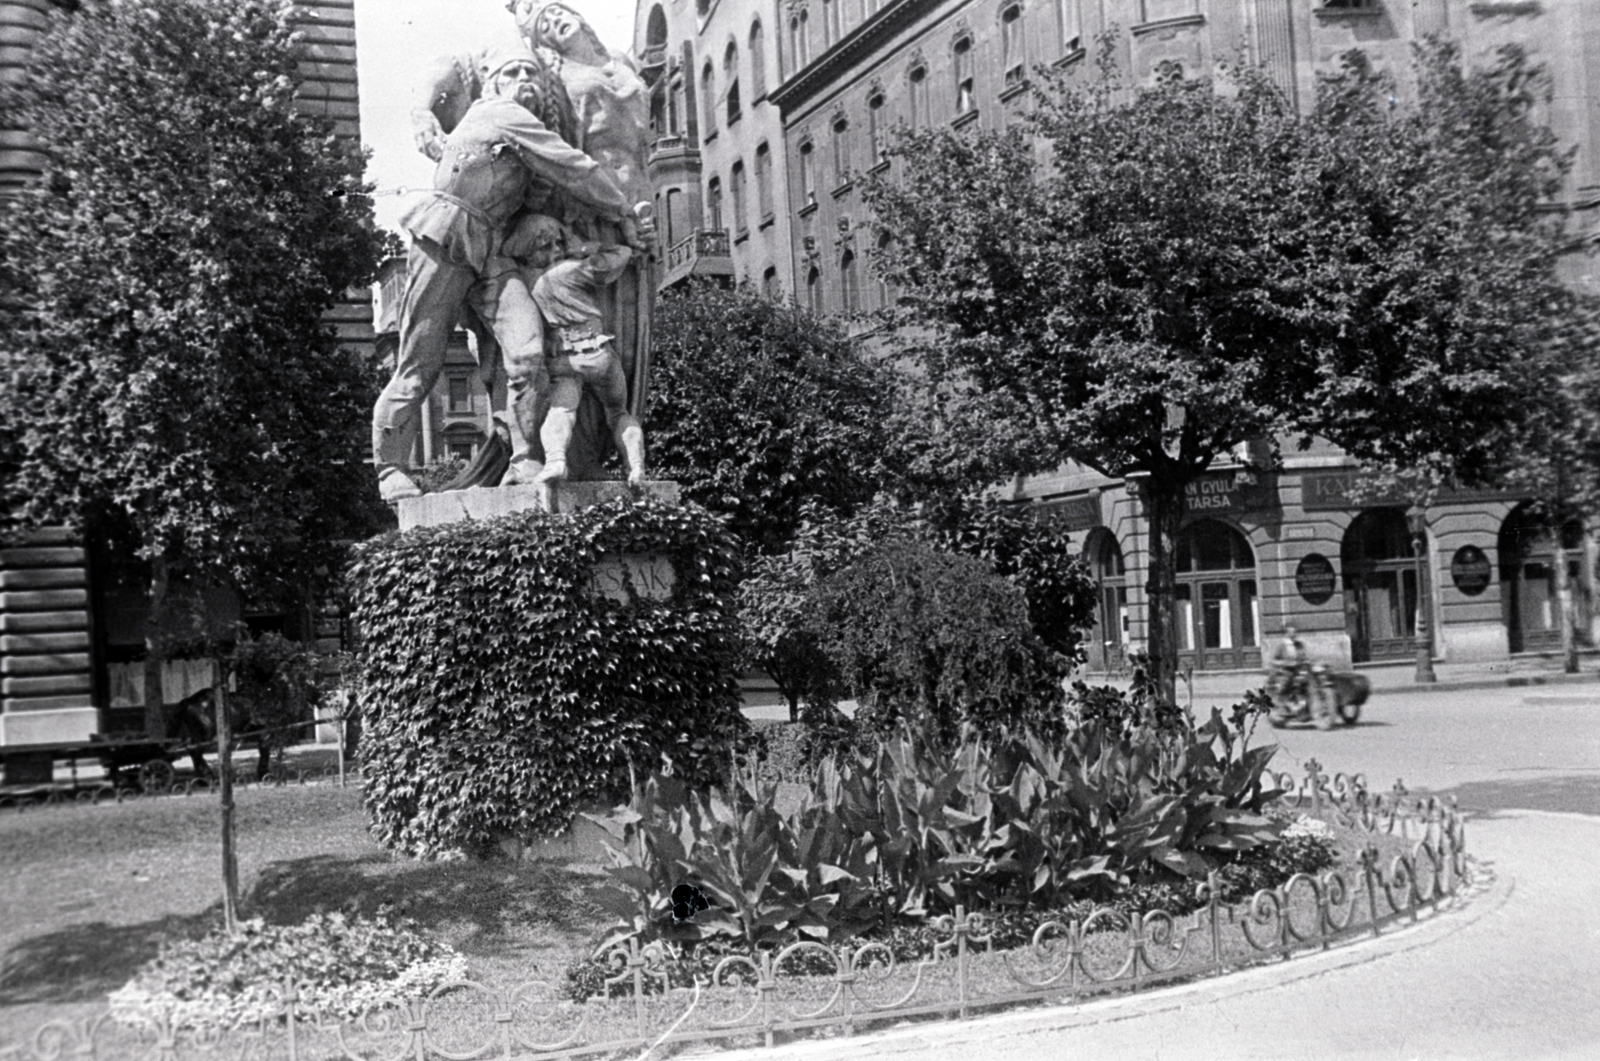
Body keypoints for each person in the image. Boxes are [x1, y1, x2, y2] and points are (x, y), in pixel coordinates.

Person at [372, 45, 637, 502]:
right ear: (492, 83)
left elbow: (568, 194)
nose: (524, 82)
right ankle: (389, 468)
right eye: (512, 72)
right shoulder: (498, 111)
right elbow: (448, 65)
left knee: (528, 356)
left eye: (531, 73)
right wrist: (624, 210)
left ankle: (523, 459)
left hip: (494, 249)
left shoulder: (528, 139)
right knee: (421, 364)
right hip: (447, 234)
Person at [526, 220, 645, 485]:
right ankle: (635, 466)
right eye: (551, 246)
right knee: (618, 413)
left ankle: (556, 460)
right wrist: (591, 247)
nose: (557, 250)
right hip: (600, 353)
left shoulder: (529, 284)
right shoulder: (569, 270)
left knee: (561, 409)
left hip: (565, 359)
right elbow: (621, 256)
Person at [1267, 625, 1309, 710]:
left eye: (1295, 633)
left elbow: (1304, 656)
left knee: (1306, 682)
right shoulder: (1282, 645)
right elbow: (1274, 660)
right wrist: (1284, 663)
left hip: (1299, 670)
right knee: (1286, 682)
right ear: (1286, 634)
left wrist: (1306, 661)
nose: (1293, 635)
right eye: (1290, 633)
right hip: (1286, 670)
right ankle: (1282, 703)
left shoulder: (1299, 644)